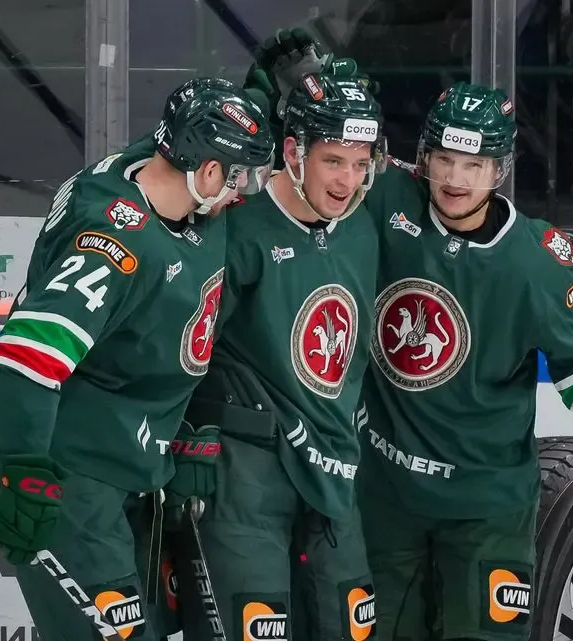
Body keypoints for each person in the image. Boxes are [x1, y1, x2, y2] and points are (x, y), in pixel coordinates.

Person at [246, 33, 573, 641]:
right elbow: (305, 174)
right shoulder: (382, 197)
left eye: (473, 165)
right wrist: (283, 106)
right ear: (424, 157)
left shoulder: (535, 260)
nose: (455, 178)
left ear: (500, 169)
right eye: (445, 159)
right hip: (383, 498)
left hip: (486, 508)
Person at [0, 76, 275, 641]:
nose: (243, 193)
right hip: (67, 469)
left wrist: (261, 92)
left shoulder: (150, 166)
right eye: (240, 177)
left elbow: (199, 124)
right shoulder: (114, 247)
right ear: (209, 172)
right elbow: (17, 364)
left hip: (127, 463)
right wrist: (26, 469)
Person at [163, 70, 387, 641]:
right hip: (244, 473)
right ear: (293, 153)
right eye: (333, 160)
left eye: (360, 164)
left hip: (333, 473)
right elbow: (176, 353)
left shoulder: (363, 230)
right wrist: (181, 444)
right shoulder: (233, 231)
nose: (347, 180)